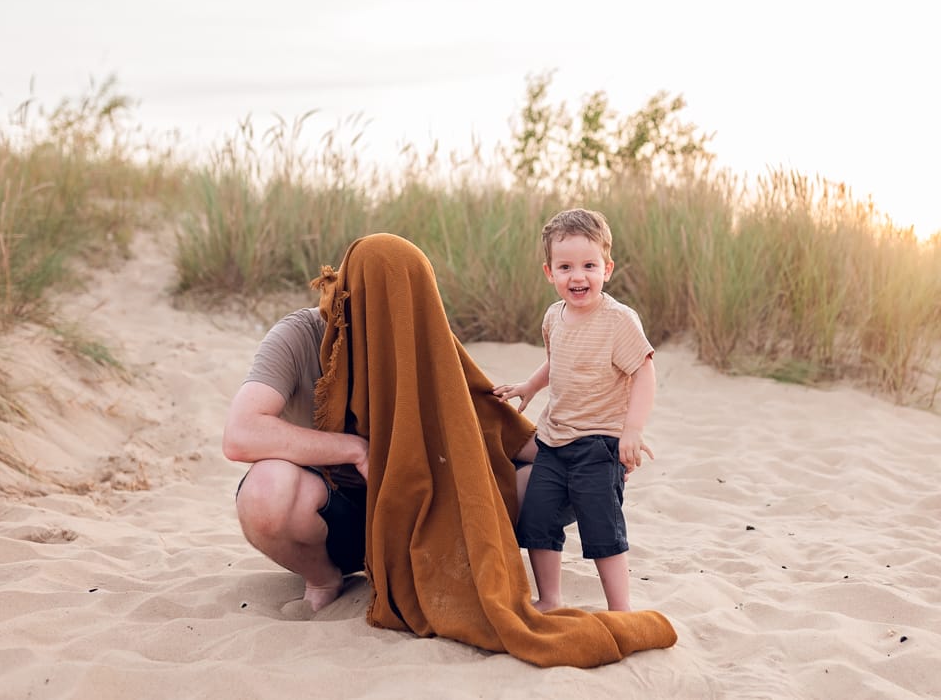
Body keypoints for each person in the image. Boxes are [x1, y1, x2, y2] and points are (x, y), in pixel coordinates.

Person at [222, 237, 538, 613]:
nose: (392, 313)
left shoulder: (423, 340)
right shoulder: (301, 335)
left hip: (421, 517)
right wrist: (355, 450)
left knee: (563, 472)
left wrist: (591, 449)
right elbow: (240, 434)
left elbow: (494, 430)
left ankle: (444, 571)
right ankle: (323, 579)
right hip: (330, 518)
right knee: (264, 492)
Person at [492, 208, 657, 613]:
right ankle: (550, 599)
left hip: (600, 445)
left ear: (607, 268)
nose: (577, 276)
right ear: (549, 272)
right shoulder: (554, 317)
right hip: (553, 441)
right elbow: (559, 360)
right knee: (537, 522)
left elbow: (645, 372)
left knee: (602, 527)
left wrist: (632, 431)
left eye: (589, 265)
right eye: (565, 267)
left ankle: (620, 609)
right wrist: (531, 384)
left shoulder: (618, 321)